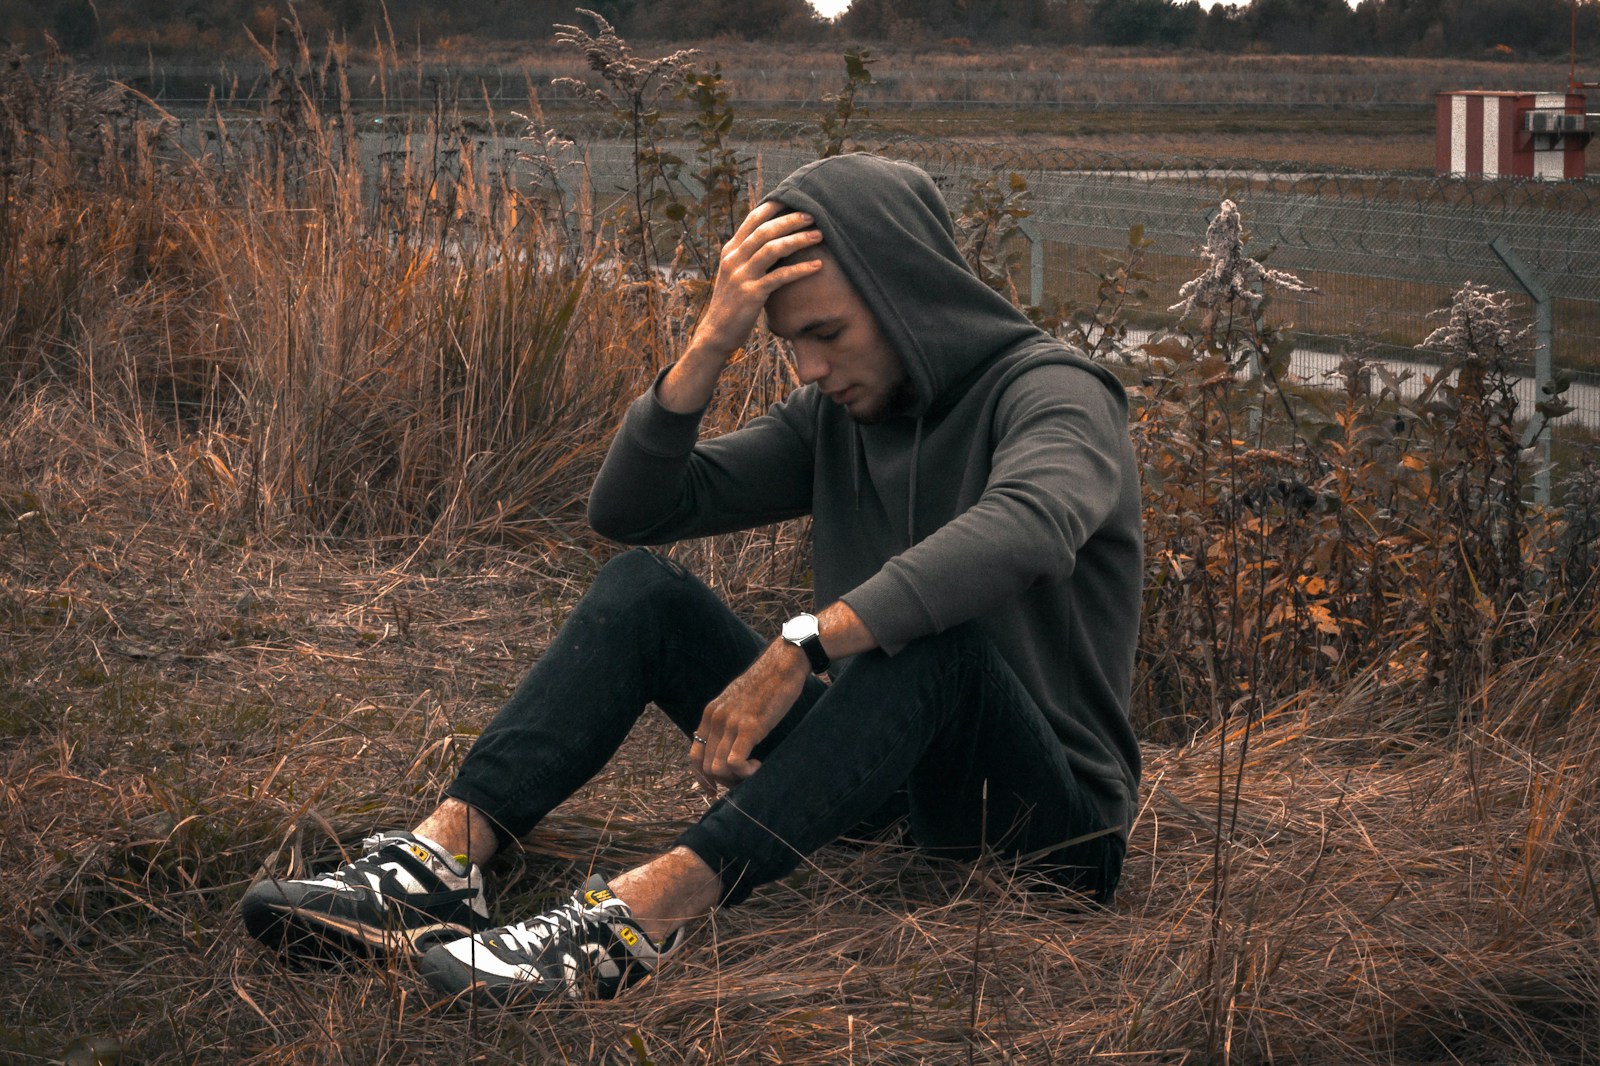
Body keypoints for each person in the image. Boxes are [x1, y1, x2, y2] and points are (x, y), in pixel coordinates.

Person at [240, 153, 1143, 1009]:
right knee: (643, 591)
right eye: (791, 344)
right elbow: (634, 510)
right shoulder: (838, 415)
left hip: (1043, 831)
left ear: (906, 296)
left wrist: (806, 640)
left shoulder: (1056, 394)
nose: (813, 370)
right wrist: (712, 340)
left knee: (934, 643)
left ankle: (638, 920)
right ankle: (443, 864)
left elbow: (1028, 525)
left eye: (827, 334)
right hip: (871, 790)